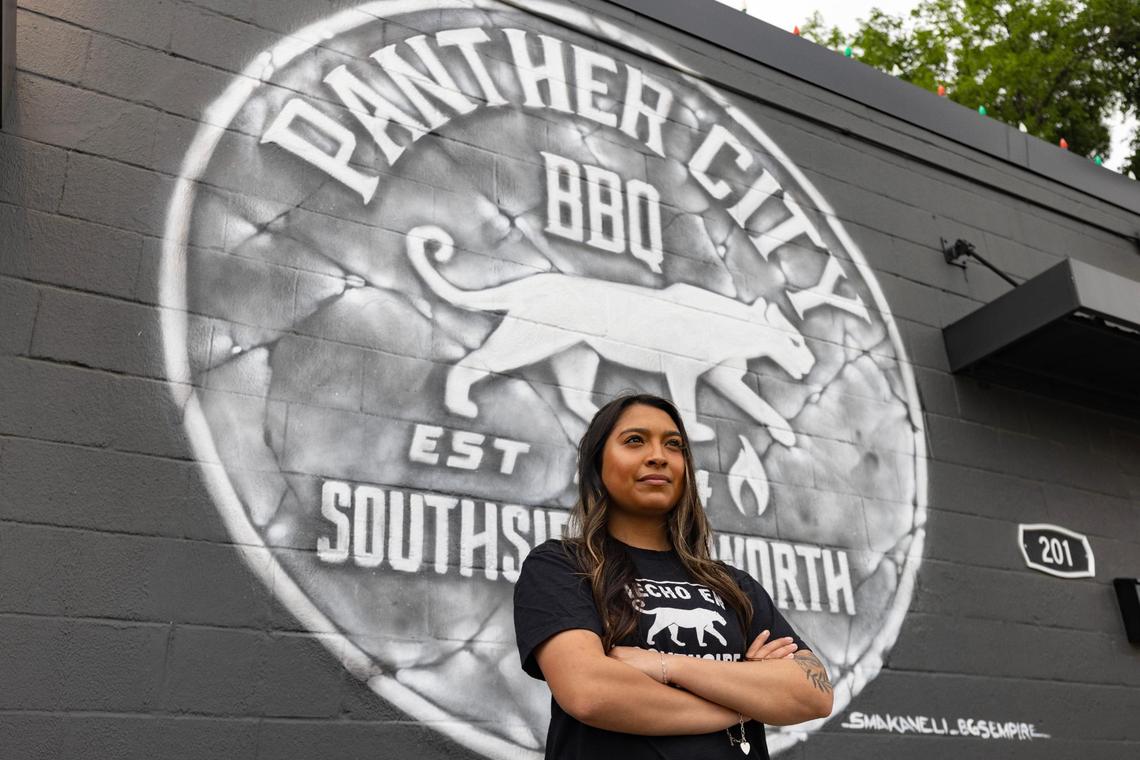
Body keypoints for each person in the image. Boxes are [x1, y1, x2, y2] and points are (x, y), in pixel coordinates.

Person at [513, 393, 832, 759]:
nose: (658, 456)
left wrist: (664, 666)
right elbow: (590, 692)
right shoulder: (562, 565)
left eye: (673, 445)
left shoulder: (733, 585)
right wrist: (745, 699)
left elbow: (813, 694)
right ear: (597, 465)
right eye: (635, 440)